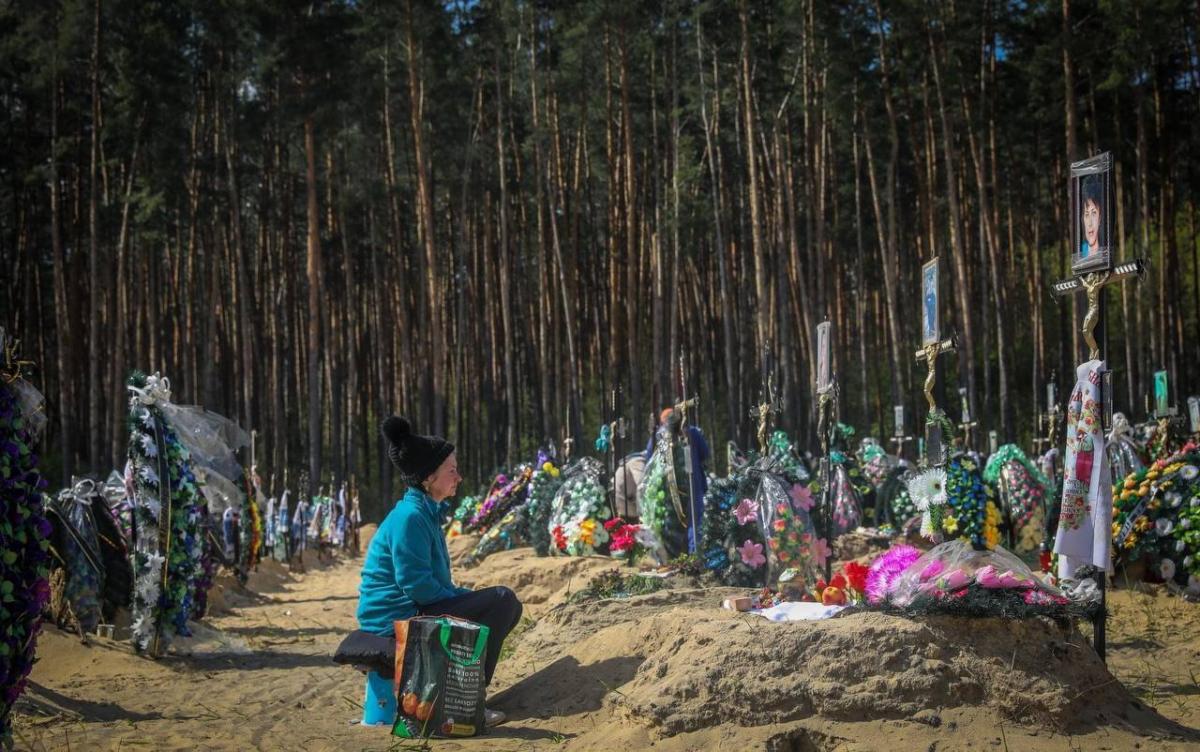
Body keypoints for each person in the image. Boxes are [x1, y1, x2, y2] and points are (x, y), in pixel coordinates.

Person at [357, 416, 522, 728]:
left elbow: (432, 585)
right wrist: (467, 602)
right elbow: (417, 586)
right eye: (451, 470)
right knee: (502, 600)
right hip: (395, 619)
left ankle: (462, 694)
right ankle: (465, 703)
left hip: (412, 608)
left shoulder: (423, 513)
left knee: (505, 605)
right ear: (428, 477)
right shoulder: (410, 517)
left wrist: (465, 598)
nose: (459, 477)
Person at [643, 407, 710, 555]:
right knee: (694, 521)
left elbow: (649, 460)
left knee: (670, 522)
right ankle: (694, 555)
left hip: (667, 487)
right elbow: (705, 454)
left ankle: (671, 555)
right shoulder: (692, 433)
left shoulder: (659, 436)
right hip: (692, 483)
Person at [1080, 176, 1102, 259]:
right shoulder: (1080, 252)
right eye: (1086, 214)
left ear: (1100, 218)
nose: (1089, 223)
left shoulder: (1105, 251)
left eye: (1093, 213)